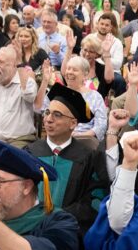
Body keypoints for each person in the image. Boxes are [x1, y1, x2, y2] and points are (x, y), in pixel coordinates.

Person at [25, 83, 106, 233]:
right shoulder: (30, 152)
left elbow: (95, 199)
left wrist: (61, 216)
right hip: (30, 229)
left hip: (69, 231)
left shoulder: (87, 157)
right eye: (47, 112)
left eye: (57, 115)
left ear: (73, 124)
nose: (48, 119)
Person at [35, 56, 108, 140]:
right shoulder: (58, 91)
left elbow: (101, 125)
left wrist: (81, 136)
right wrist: (45, 81)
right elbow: (38, 108)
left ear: (85, 75)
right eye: (68, 69)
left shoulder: (95, 96)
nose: (69, 72)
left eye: (74, 70)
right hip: (58, 138)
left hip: (85, 140)